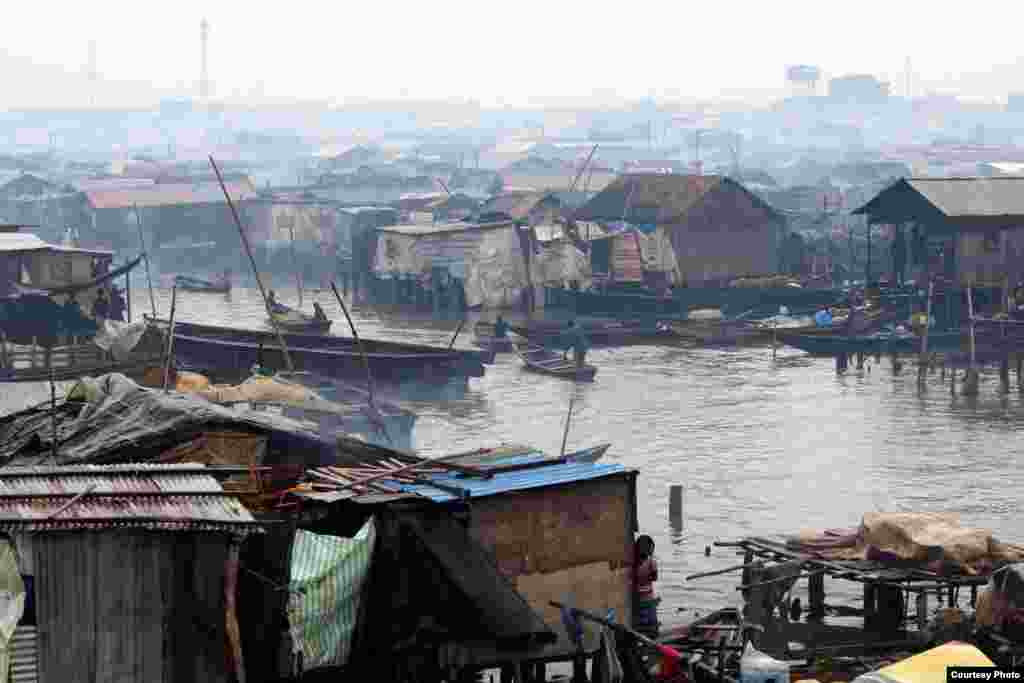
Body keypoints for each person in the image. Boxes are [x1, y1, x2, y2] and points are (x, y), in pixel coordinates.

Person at [633, 535, 660, 642]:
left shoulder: (633, 562)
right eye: (652, 548)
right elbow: (655, 578)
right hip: (647, 597)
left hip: (638, 598)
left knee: (642, 625)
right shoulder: (651, 562)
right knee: (651, 626)